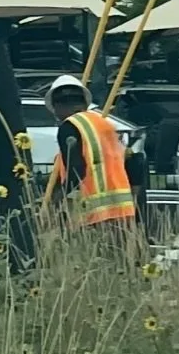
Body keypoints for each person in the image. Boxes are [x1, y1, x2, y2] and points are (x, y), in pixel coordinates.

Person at [43, 70, 139, 236]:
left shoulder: (69, 126)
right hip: (123, 206)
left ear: (58, 106)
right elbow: (133, 161)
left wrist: (59, 199)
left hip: (95, 210)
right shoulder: (104, 124)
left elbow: (76, 169)